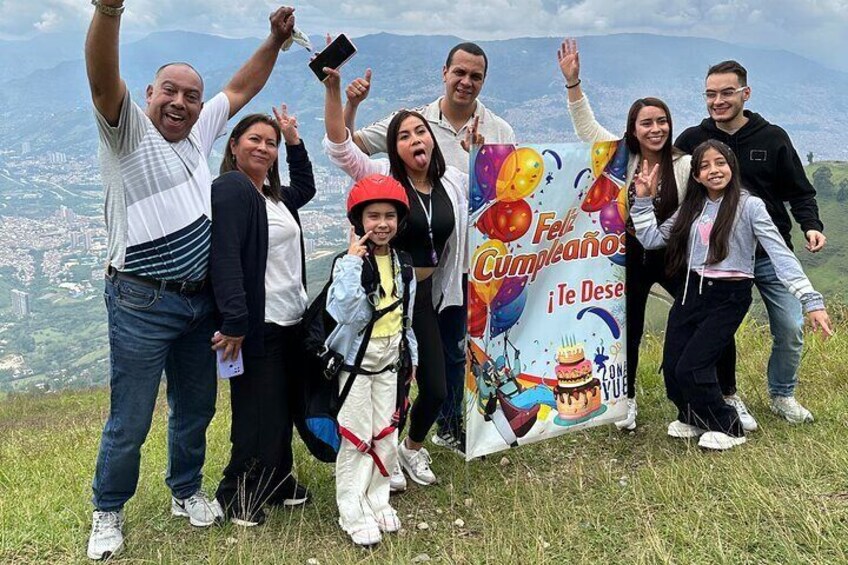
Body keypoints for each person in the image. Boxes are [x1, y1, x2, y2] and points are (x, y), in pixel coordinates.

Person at [85, 0, 295, 558]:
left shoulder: (199, 135)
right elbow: (103, 80)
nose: (180, 102)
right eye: (168, 92)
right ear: (148, 95)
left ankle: (185, 490)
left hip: (197, 302)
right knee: (129, 417)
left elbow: (242, 88)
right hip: (139, 299)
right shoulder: (127, 134)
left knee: (196, 407)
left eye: (191, 96)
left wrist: (273, 42)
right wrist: (108, 11)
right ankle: (108, 510)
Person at [344, 43, 516, 452]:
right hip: (411, 265)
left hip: (462, 259)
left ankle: (450, 423)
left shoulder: (500, 131)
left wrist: (479, 161)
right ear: (445, 72)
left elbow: (503, 194)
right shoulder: (416, 122)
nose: (466, 82)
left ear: (483, 81)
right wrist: (349, 104)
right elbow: (352, 144)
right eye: (460, 72)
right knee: (403, 356)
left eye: (475, 76)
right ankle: (389, 438)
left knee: (455, 350)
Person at [321, 58, 472, 491]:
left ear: (432, 140)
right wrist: (335, 95)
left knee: (438, 388)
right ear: (394, 148)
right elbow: (339, 146)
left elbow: (492, 191)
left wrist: (481, 152)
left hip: (431, 293)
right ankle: (378, 458)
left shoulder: (453, 183)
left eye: (420, 131)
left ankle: (411, 448)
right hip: (387, 298)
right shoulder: (383, 177)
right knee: (390, 383)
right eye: (403, 135)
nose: (414, 139)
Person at [631, 140, 833, 451]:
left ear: (732, 167)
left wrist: (810, 299)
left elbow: (781, 255)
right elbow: (652, 238)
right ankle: (693, 416)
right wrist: (643, 200)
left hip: (728, 296)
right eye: (705, 166)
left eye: (720, 163)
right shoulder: (693, 207)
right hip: (690, 291)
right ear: (696, 176)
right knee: (672, 366)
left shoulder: (750, 206)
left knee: (693, 366)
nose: (714, 170)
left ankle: (728, 425)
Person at [675, 60, 827, 426]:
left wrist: (811, 225)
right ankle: (728, 397)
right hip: (720, 261)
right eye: (711, 94)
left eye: (727, 93)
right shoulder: (692, 140)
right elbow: (670, 183)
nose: (718, 101)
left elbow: (799, 190)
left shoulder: (772, 137)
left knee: (790, 327)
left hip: (768, 254)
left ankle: (782, 393)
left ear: (746, 93)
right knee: (719, 334)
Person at [558, 37, 691, 431]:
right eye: (647, 122)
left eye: (662, 121)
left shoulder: (682, 164)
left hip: (671, 252)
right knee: (627, 327)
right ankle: (626, 400)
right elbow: (586, 128)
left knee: (700, 311)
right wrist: (573, 83)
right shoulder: (621, 158)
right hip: (627, 254)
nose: (656, 129)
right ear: (633, 129)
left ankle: (721, 392)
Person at [209, 106, 315, 527]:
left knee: (285, 406)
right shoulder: (233, 189)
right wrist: (235, 321)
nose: (263, 148)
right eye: (255, 139)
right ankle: (236, 492)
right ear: (234, 146)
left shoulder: (273, 197)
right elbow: (226, 257)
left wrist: (293, 140)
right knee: (258, 412)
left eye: (269, 143)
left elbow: (304, 186)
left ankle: (277, 478)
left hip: (291, 318)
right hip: (259, 323)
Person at [325, 175, 418, 547]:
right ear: (358, 222)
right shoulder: (349, 264)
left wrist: (413, 357)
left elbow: (406, 316)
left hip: (391, 361)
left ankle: (377, 499)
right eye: (373, 216)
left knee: (386, 433)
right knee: (356, 436)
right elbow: (343, 311)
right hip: (356, 364)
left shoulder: (403, 265)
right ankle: (352, 509)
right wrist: (350, 262)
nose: (382, 224)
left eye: (389, 216)